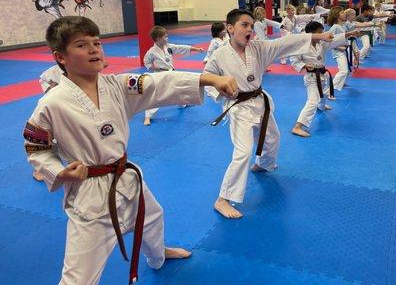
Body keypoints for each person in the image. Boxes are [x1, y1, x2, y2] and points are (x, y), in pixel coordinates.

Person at [23, 15, 237, 285]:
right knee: (78, 276)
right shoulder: (51, 103)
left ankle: (158, 255)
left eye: (97, 43)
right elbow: (36, 147)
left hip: (126, 177)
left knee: (152, 219)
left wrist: (207, 79)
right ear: (60, 57)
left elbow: (158, 83)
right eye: (81, 45)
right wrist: (60, 172)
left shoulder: (116, 85)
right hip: (89, 193)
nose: (93, 49)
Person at [204, 9, 333, 219]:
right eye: (244, 25)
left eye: (252, 26)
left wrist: (317, 36)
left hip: (259, 101)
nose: (250, 29)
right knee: (243, 152)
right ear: (230, 28)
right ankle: (223, 199)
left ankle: (263, 165)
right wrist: (218, 88)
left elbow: (287, 42)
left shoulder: (258, 47)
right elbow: (207, 77)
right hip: (238, 106)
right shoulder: (219, 55)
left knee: (273, 139)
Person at [290, 21, 359, 137]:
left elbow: (335, 39)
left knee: (324, 92)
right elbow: (294, 60)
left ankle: (321, 106)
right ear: (311, 33)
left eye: (322, 32)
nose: (322, 35)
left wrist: (350, 33)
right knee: (313, 100)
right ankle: (297, 126)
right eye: (319, 33)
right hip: (311, 76)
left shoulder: (321, 43)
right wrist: (304, 66)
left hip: (322, 73)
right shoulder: (301, 45)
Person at [143, 26, 204, 125]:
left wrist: (196, 49)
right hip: (160, 75)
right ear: (158, 38)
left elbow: (181, 47)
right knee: (157, 95)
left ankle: (183, 104)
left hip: (171, 72)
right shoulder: (151, 52)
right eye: (165, 37)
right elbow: (147, 62)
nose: (167, 39)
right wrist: (155, 68)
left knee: (178, 89)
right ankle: (148, 116)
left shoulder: (168, 47)